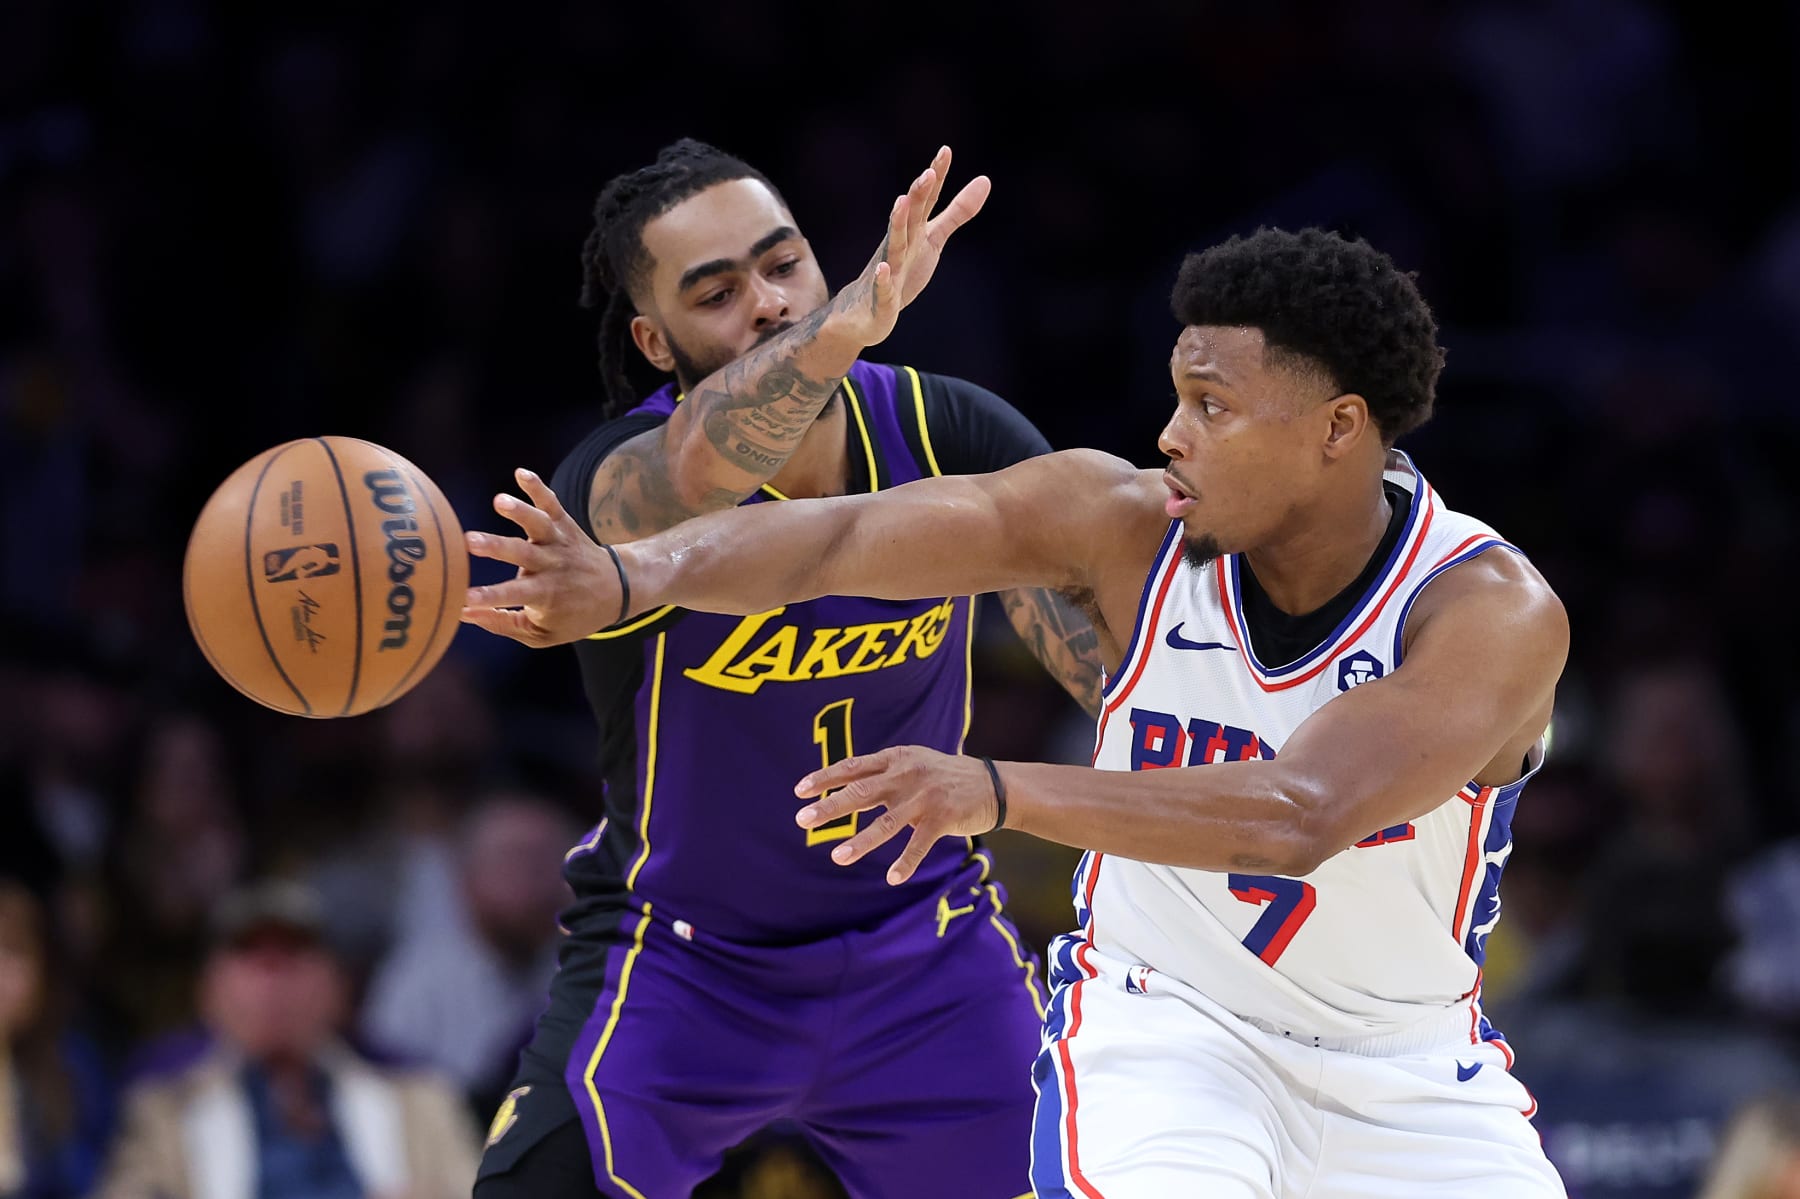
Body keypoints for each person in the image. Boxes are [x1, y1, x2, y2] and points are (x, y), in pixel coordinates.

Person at [464, 223, 1574, 1197]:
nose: (1172, 434)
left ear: (1338, 429)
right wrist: (632, 578)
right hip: (1171, 1028)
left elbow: (1299, 812)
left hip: (1411, 1058)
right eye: (1178, 397)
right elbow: (841, 536)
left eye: (1213, 406)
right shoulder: (1125, 522)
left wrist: (990, 790)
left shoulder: (1488, 610)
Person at [470, 140, 1104, 1199]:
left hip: (926, 954)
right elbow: (702, 464)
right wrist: (835, 332)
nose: (769, 305)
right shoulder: (621, 483)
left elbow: (1112, 669)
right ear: (653, 338)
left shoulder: (948, 432)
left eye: (784, 266)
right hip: (685, 960)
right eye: (716, 293)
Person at [93, 880, 479, 1199]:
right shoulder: (163, 1115)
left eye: (293, 955)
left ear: (338, 987)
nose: (272, 981)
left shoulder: (423, 1102)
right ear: (209, 992)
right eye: (251, 957)